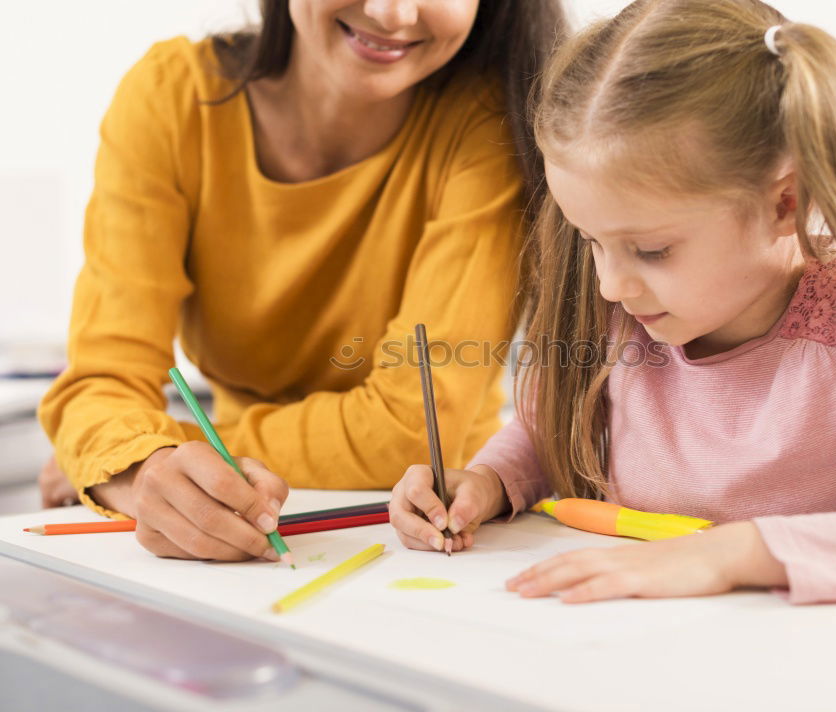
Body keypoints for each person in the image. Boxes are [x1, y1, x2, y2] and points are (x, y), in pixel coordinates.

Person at [388, 0, 836, 605]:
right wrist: (487, 483)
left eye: (652, 250)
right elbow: (546, 430)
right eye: (591, 240)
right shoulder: (626, 311)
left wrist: (734, 554)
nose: (610, 286)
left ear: (784, 202)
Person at [38, 0, 567, 563]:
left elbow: (405, 431)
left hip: (417, 527)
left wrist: (140, 452)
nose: (392, 14)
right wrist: (142, 466)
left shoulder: (493, 123)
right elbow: (102, 379)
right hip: (246, 518)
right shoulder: (174, 96)